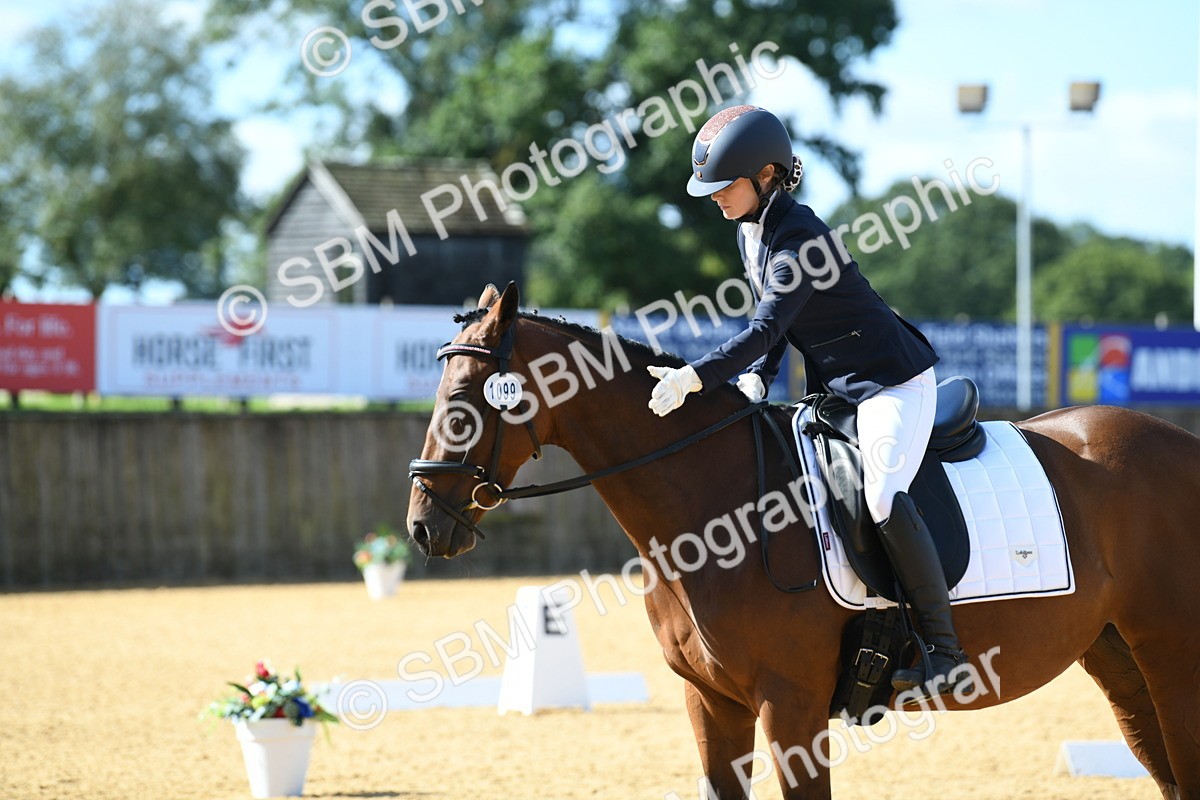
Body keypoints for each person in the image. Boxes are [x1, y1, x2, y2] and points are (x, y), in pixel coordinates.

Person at [646, 104, 968, 697]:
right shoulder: (753, 230)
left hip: (890, 383)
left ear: (766, 174)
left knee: (881, 493)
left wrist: (698, 378)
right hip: (836, 391)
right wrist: (755, 380)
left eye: (724, 185)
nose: (714, 198)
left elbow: (767, 327)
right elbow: (780, 327)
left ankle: (946, 650)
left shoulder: (801, 238)